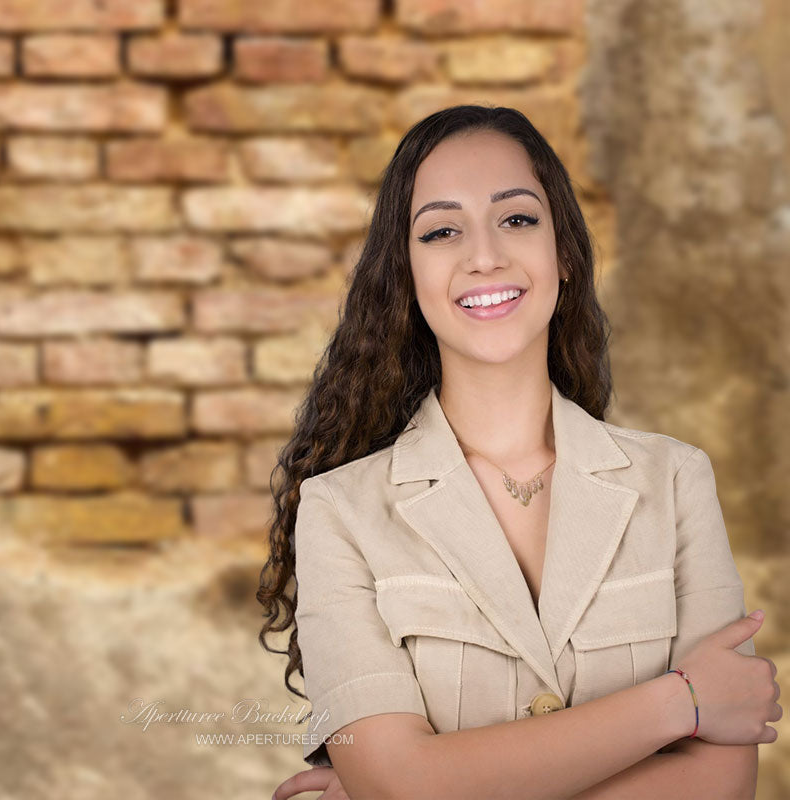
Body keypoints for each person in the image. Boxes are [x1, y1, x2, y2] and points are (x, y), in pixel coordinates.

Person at [258, 105, 782, 800]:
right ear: (406, 277)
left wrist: (427, 786)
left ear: (562, 251)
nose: (485, 256)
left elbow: (720, 787)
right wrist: (680, 703)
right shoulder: (339, 512)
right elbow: (400, 785)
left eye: (517, 219)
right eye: (442, 231)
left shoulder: (677, 481)